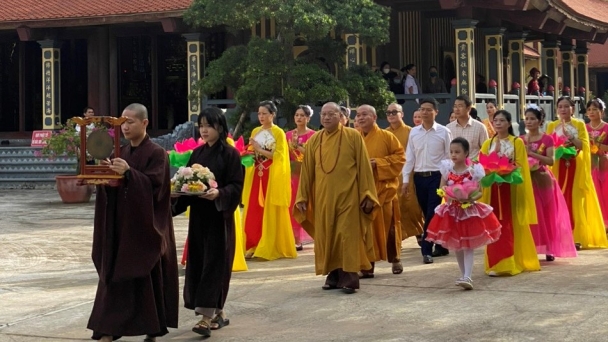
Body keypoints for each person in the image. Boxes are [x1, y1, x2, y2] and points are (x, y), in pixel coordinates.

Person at [87, 103, 179, 342]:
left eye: (130, 122)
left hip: (144, 229)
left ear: (144, 123)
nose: (125, 127)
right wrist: (108, 178)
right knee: (115, 275)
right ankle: (108, 329)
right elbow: (116, 189)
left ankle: (152, 327)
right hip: (122, 228)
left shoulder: (157, 153)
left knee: (145, 275)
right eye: (121, 123)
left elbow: (157, 189)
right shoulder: (121, 153)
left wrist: (129, 174)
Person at [171, 108, 244, 337]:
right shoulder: (197, 153)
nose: (204, 130)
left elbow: (236, 186)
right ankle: (218, 312)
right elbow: (188, 181)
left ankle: (205, 317)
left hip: (219, 217)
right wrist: (177, 195)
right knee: (199, 263)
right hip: (199, 218)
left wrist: (219, 194)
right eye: (201, 125)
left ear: (220, 127)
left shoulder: (230, 154)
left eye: (209, 125)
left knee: (215, 264)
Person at [294, 102, 378, 294]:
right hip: (323, 198)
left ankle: (349, 276)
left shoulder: (353, 136)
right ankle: (333, 274)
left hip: (349, 196)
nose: (326, 118)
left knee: (347, 236)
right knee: (327, 236)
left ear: (340, 117)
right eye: (323, 114)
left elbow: (364, 167)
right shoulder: (315, 140)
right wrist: (302, 196)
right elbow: (307, 170)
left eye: (331, 114)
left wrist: (367, 194)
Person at [426, 137, 501, 290]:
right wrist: (449, 195)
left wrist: (469, 198)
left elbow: (479, 192)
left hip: (468, 212)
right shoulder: (447, 169)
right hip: (451, 211)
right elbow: (441, 189)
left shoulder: (473, 171)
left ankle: (468, 276)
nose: (454, 155)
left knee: (468, 245)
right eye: (452, 152)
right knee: (457, 246)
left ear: (466, 153)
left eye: (457, 152)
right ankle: (463, 275)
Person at [480, 110, 540, 276]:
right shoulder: (488, 143)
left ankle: (510, 263)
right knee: (493, 224)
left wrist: (504, 169)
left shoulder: (516, 142)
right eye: (495, 120)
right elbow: (481, 164)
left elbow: (521, 165)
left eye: (501, 120)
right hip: (492, 190)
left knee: (508, 225)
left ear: (508, 123)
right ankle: (494, 264)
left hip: (510, 190)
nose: (498, 123)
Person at [547, 97, 607, 249]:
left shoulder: (579, 124)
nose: (563, 110)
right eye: (560, 107)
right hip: (559, 167)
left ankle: (577, 238)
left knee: (575, 202)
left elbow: (585, 146)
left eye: (566, 106)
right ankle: (559, 236)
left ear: (572, 109)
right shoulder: (552, 125)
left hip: (576, 165)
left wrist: (571, 137)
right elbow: (548, 146)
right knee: (558, 200)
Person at [242, 100, 297, 260]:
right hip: (257, 175)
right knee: (254, 210)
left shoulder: (278, 132)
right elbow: (251, 150)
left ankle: (269, 245)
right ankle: (252, 244)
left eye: (264, 113)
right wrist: (248, 153)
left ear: (273, 114)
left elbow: (280, 156)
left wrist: (260, 150)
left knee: (269, 210)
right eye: (259, 113)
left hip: (270, 174)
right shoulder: (255, 131)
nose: (261, 116)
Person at [356, 104, 406, 276]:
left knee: (390, 227)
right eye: (358, 115)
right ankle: (367, 265)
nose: (360, 118)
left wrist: (378, 163)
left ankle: (395, 258)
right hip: (364, 189)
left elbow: (400, 158)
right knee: (365, 228)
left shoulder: (387, 136)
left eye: (364, 114)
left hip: (385, 188)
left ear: (374, 117)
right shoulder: (355, 137)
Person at [522, 105, 577, 261]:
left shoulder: (547, 139)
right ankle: (531, 246)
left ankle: (550, 248)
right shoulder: (520, 139)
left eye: (532, 119)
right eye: (527, 119)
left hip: (543, 178)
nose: (529, 121)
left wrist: (531, 154)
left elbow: (551, 160)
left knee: (547, 213)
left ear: (540, 121)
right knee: (531, 213)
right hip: (527, 180)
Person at [401, 97, 452, 264]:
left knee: (432, 212)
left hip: (437, 177)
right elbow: (410, 157)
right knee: (427, 213)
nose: (424, 112)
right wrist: (406, 179)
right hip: (419, 178)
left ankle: (426, 249)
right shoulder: (414, 132)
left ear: (436, 112)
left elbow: (448, 157)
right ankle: (442, 245)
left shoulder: (444, 132)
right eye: (422, 109)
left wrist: (447, 180)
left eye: (428, 109)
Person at [385, 103, 424, 242]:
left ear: (402, 114)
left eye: (394, 112)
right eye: (388, 113)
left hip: (410, 174)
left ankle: (420, 231)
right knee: (396, 207)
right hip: (392, 174)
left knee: (413, 206)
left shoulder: (411, 132)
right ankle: (397, 238)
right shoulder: (385, 134)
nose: (391, 115)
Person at [286, 105, 316, 250]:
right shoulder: (288, 135)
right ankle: (295, 238)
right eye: (297, 115)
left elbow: (313, 155)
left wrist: (297, 146)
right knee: (292, 204)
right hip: (291, 173)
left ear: (308, 118)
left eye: (302, 115)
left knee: (307, 203)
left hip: (307, 172)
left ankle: (314, 233)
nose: (299, 118)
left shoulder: (314, 135)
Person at [585, 98, 608, 229]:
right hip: (589, 164)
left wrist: (597, 144)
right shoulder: (584, 127)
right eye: (589, 110)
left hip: (604, 163)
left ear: (602, 111)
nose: (591, 112)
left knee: (605, 192)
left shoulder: (606, 127)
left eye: (595, 109)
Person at [447, 95, 489, 161]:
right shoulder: (448, 128)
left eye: (460, 106)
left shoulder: (480, 127)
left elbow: (486, 150)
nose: (457, 109)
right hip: (454, 167)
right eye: (455, 106)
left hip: (473, 167)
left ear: (468, 108)